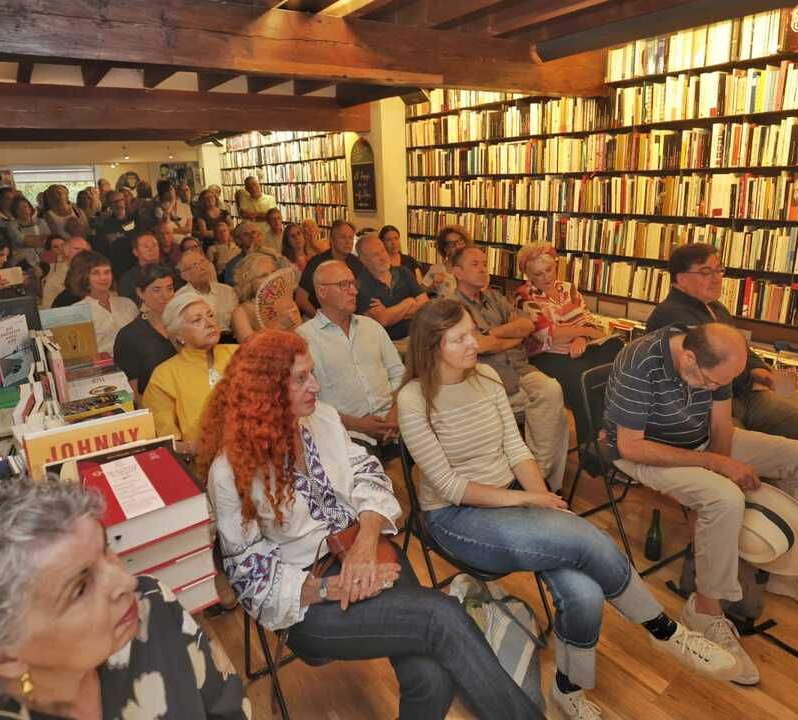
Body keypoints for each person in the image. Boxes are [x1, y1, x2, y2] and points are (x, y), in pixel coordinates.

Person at [397, 300, 738, 718]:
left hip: (509, 499)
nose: (476, 342)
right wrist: (529, 500)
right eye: (461, 338)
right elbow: (449, 487)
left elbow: (517, 449)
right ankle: (664, 630)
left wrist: (543, 499)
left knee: (585, 591)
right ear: (433, 347)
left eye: (472, 331)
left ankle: (568, 691)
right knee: (584, 538)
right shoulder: (413, 399)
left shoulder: (486, 376)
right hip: (456, 517)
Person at [203, 330, 546, 720]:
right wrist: (333, 587)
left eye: (312, 373)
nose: (315, 386)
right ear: (263, 391)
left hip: (365, 554)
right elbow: (248, 573)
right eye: (300, 378)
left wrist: (365, 542)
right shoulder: (230, 472)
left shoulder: (323, 420)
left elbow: (368, 473)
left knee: (432, 678)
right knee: (443, 616)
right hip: (307, 602)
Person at [604, 322, 798, 687]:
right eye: (709, 382)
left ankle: (788, 574)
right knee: (724, 498)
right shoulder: (640, 360)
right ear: (688, 357)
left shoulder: (716, 362)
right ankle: (704, 610)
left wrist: (719, 461)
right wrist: (717, 467)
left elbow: (721, 427)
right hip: (645, 453)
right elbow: (629, 446)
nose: (712, 388)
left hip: (699, 443)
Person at [0, 478, 247, 720]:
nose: (126, 582)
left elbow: (228, 709)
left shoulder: (152, 607)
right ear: (2, 654)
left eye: (107, 549)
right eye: (80, 588)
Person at [644, 243, 798, 556]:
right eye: (706, 272)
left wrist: (761, 371)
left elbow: (741, 350)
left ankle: (797, 513)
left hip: (740, 394)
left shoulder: (716, 308)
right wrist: (752, 377)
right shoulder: (671, 317)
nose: (716, 278)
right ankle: (758, 527)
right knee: (732, 444)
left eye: (719, 270)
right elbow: (713, 372)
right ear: (680, 279)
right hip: (703, 408)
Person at [450, 246, 569, 491]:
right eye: (475, 264)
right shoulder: (451, 308)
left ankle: (539, 478)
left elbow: (526, 325)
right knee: (555, 415)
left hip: (520, 368)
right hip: (492, 380)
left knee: (552, 389)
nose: (483, 268)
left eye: (484, 263)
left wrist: (494, 334)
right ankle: (542, 484)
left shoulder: (493, 297)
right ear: (457, 272)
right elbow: (480, 346)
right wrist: (506, 337)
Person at [513, 243, 620, 444]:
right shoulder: (524, 296)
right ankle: (591, 446)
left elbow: (587, 317)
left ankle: (615, 432)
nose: (546, 277)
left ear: (556, 266)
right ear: (528, 275)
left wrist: (581, 338)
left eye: (549, 270)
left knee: (616, 350)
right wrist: (586, 332)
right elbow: (546, 333)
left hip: (578, 348)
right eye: (538, 274)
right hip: (546, 356)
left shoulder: (568, 288)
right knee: (585, 380)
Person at [298, 260, 403, 459]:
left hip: (394, 422)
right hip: (345, 433)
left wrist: (395, 413)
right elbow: (306, 403)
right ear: (321, 291)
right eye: (344, 285)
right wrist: (357, 424)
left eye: (353, 284)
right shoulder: (304, 339)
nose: (354, 291)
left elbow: (398, 373)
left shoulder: (372, 327)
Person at [142, 293, 238, 459]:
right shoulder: (164, 376)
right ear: (179, 336)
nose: (209, 323)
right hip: (203, 467)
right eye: (197, 320)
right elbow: (164, 443)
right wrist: (194, 448)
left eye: (210, 315)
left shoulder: (239, 353)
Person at [112, 264, 177, 397]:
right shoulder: (129, 336)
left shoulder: (183, 325)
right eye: (156, 290)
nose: (165, 296)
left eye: (169, 288)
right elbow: (132, 392)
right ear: (140, 293)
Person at [354, 234, 427, 343]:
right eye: (375, 255)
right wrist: (409, 302)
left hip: (415, 337)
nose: (382, 257)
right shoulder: (361, 284)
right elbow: (382, 320)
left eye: (383, 251)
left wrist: (390, 313)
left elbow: (425, 303)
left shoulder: (404, 272)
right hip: (384, 343)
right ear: (363, 260)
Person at [68, 250, 138, 355]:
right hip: (103, 368)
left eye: (107, 272)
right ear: (84, 277)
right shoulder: (76, 312)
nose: (103, 278)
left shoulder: (127, 304)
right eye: (96, 273)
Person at [296, 219, 364, 315]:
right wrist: (321, 319)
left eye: (350, 238)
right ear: (331, 240)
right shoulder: (316, 263)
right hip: (320, 319)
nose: (348, 242)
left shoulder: (356, 262)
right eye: (343, 237)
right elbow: (300, 299)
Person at [230, 253, 299, 342]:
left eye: (274, 272)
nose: (271, 278)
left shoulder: (288, 302)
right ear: (249, 283)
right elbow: (249, 348)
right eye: (263, 275)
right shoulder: (240, 313)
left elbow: (301, 337)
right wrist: (280, 327)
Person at [175, 248, 237, 332]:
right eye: (195, 265)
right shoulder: (179, 299)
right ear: (184, 275)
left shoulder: (227, 291)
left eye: (203, 262)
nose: (202, 267)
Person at [4, 195, 49, 274]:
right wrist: (40, 239)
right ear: (14, 211)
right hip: (22, 262)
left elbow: (48, 240)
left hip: (43, 258)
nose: (23, 210)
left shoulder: (41, 222)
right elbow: (22, 241)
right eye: (18, 209)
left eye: (25, 207)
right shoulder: (12, 225)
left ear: (30, 208)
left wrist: (29, 239)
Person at [422, 224, 471, 298]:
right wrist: (433, 285)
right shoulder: (437, 269)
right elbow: (420, 292)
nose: (458, 246)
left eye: (460, 240)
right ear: (445, 249)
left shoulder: (474, 267)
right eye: (452, 244)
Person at [42, 236, 90, 309]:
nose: (83, 252)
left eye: (85, 249)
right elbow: (48, 312)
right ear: (65, 254)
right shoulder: (53, 280)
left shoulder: (96, 273)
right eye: (77, 249)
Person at [116, 230, 162, 306]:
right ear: (135, 252)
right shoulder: (127, 279)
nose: (151, 249)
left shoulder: (172, 272)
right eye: (146, 246)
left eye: (154, 245)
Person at [220, 221, 264, 286]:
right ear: (238, 240)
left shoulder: (272, 256)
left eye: (254, 232)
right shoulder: (232, 265)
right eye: (246, 234)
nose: (252, 236)